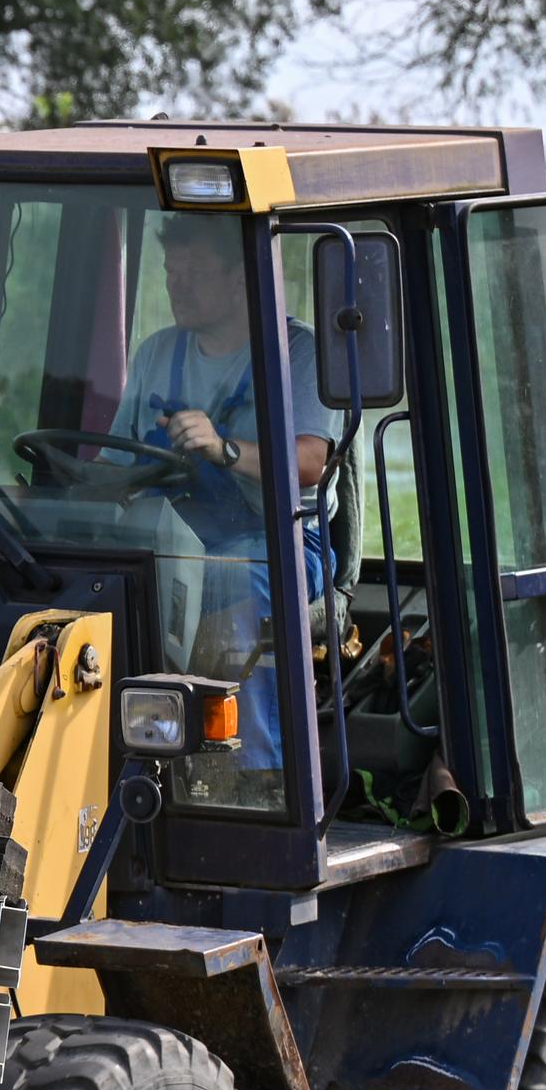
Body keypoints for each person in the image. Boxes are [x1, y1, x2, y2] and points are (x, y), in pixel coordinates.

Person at [108, 217, 345, 784]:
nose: (176, 285)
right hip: (175, 539)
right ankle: (115, 760)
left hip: (281, 540)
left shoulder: (297, 353)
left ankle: (260, 775)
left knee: (237, 578)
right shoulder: (157, 353)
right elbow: (115, 463)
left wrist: (224, 448)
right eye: (170, 272)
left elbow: (311, 461)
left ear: (242, 279)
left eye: (193, 273)